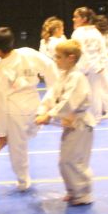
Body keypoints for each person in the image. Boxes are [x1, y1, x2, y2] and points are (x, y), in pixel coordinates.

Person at [0, 27, 57, 191]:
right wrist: (52, 97)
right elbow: (50, 66)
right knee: (29, 133)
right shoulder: (27, 53)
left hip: (14, 111)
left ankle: (23, 181)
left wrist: (1, 133)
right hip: (35, 105)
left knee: (17, 149)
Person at [36, 40, 95, 205]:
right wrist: (42, 110)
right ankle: (73, 190)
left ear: (71, 58)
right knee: (65, 161)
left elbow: (68, 102)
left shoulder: (77, 77)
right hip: (71, 124)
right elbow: (52, 96)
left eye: (58, 57)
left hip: (81, 125)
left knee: (73, 161)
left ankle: (83, 194)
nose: (55, 60)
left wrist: (49, 116)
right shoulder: (64, 75)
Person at [71, 7, 107, 123]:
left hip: (83, 67)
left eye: (76, 17)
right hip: (95, 66)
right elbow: (103, 49)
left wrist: (82, 67)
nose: (73, 19)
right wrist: (101, 64)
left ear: (84, 19)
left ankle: (86, 118)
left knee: (81, 93)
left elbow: (78, 51)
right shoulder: (96, 31)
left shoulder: (78, 33)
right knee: (95, 92)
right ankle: (96, 117)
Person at [94, 15, 108, 119]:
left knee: (105, 87)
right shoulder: (106, 34)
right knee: (103, 87)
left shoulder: (101, 36)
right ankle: (104, 108)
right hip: (107, 61)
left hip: (104, 62)